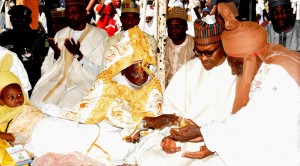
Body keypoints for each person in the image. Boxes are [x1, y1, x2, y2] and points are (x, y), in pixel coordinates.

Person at [170, 3, 300, 166]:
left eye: (235, 63)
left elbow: (250, 122)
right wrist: (209, 139)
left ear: (250, 57)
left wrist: (204, 132)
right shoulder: (264, 68)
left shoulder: (276, 76)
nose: (232, 69)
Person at [24, 26, 163, 165]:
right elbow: (93, 111)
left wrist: (138, 129)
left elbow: (156, 122)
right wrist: (60, 112)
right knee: (46, 126)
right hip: (97, 126)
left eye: (145, 69)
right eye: (134, 72)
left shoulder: (153, 88)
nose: (140, 76)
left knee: (120, 148)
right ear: (122, 71)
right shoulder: (109, 83)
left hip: (119, 138)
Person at [125, 14, 237, 166]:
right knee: (151, 159)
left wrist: (208, 139)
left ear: (223, 45)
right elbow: (171, 111)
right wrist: (170, 136)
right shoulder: (188, 69)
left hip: (216, 144)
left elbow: (235, 122)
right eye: (199, 52)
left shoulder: (235, 72)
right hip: (180, 140)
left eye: (209, 52)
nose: (203, 58)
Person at [30, 0, 108, 108]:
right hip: (59, 79)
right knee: (37, 101)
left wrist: (78, 54)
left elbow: (102, 70)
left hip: (84, 81)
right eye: (68, 13)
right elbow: (48, 67)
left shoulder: (100, 36)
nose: (70, 17)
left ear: (84, 14)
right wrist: (57, 56)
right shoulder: (60, 34)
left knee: (67, 106)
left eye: (74, 13)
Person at [0, 54, 42, 166]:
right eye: (11, 97)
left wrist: (2, 135)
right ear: (1, 101)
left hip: (19, 147)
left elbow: (23, 137)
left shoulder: (30, 112)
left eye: (19, 94)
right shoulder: (1, 110)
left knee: (16, 163)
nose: (18, 99)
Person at [0, 5, 49, 96]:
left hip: (34, 78)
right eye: (15, 19)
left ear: (29, 20)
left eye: (21, 19)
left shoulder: (39, 37)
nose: (18, 22)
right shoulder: (4, 38)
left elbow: (45, 59)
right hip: (10, 78)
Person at [165, 6, 195, 87]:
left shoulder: (195, 45)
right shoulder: (162, 45)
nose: (173, 30)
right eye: (170, 27)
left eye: (177, 26)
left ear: (186, 27)